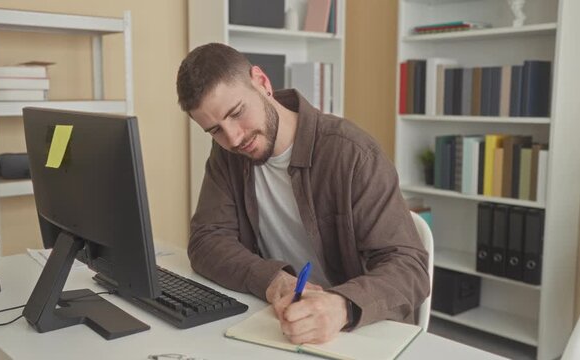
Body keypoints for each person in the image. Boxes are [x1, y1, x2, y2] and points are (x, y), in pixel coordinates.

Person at [176, 43, 429, 344]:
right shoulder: (227, 154)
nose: (233, 137)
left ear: (262, 82)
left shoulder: (352, 153)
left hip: (356, 334)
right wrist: (272, 279)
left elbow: (409, 267)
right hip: (279, 327)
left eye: (237, 112)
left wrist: (342, 306)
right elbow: (207, 241)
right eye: (215, 130)